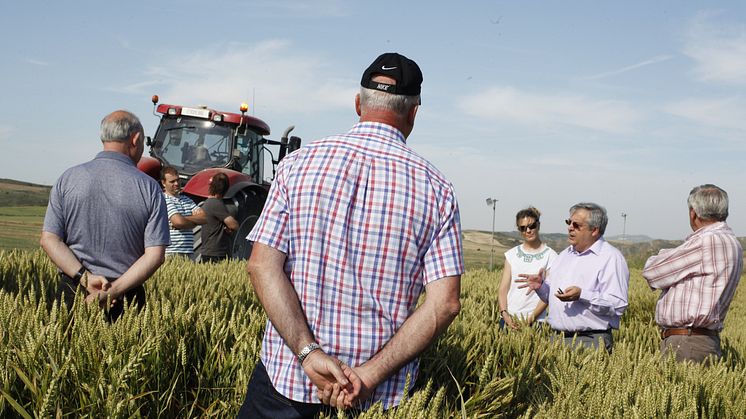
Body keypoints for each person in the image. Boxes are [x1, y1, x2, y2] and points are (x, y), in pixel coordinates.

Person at [239, 52, 463, 417]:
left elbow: (262, 267)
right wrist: (368, 376)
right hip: (378, 397)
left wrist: (309, 353)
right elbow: (445, 303)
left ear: (358, 103)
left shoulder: (299, 164)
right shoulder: (437, 189)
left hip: (289, 379)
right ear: (414, 114)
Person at [40, 110, 170, 321]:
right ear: (135, 139)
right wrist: (113, 291)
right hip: (125, 297)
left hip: (74, 292)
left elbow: (49, 240)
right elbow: (155, 255)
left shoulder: (68, 178)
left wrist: (85, 277)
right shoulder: (150, 188)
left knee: (67, 351)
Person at [642, 184, 743, 364]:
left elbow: (652, 272)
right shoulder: (731, 242)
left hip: (687, 342)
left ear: (693, 213)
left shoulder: (707, 241)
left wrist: (664, 255)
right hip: (702, 339)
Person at [517, 202, 629, 352]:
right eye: (569, 222)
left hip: (590, 342)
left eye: (576, 225)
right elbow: (552, 297)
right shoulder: (564, 256)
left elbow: (617, 305)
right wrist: (541, 286)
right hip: (556, 340)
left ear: (594, 230)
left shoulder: (611, 258)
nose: (570, 227)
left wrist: (582, 295)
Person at [498, 207, 557, 329]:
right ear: (519, 230)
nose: (528, 230)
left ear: (538, 225)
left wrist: (530, 319)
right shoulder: (511, 254)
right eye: (523, 228)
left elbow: (549, 294)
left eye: (532, 226)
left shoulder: (551, 256)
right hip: (509, 320)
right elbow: (503, 288)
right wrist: (504, 313)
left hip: (536, 322)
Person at [161, 166, 206, 259]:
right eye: (172, 181)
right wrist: (193, 222)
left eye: (178, 180)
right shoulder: (163, 199)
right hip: (171, 252)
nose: (177, 183)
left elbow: (204, 218)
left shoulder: (187, 200)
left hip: (188, 252)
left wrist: (184, 219)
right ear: (163, 183)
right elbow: (178, 222)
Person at [199, 172, 239, 263]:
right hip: (216, 253)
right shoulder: (216, 204)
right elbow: (234, 225)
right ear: (226, 188)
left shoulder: (208, 202)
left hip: (210, 251)